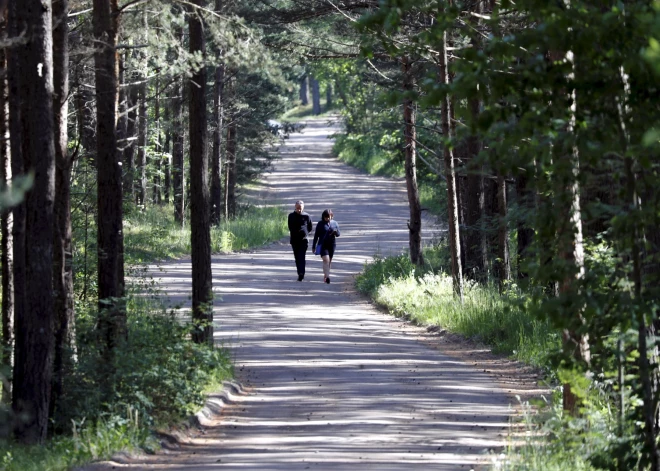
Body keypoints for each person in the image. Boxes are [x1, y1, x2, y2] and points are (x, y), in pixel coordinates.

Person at [312, 209, 340, 284]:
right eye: (326, 217)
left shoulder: (335, 223)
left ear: (332, 216)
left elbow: (338, 234)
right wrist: (313, 246)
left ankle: (326, 275)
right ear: (323, 216)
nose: (328, 218)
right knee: (326, 260)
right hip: (323, 244)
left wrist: (335, 232)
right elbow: (316, 235)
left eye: (329, 217)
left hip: (332, 244)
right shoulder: (320, 224)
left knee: (329, 261)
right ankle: (327, 277)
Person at [288, 200, 313, 281]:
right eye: (298, 208)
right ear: (295, 207)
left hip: (304, 240)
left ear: (303, 208)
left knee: (302, 256)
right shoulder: (291, 216)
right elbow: (289, 227)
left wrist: (304, 233)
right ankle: (299, 272)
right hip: (294, 240)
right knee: (297, 257)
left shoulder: (307, 216)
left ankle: (301, 273)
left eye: (301, 208)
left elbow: (310, 228)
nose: (299, 210)